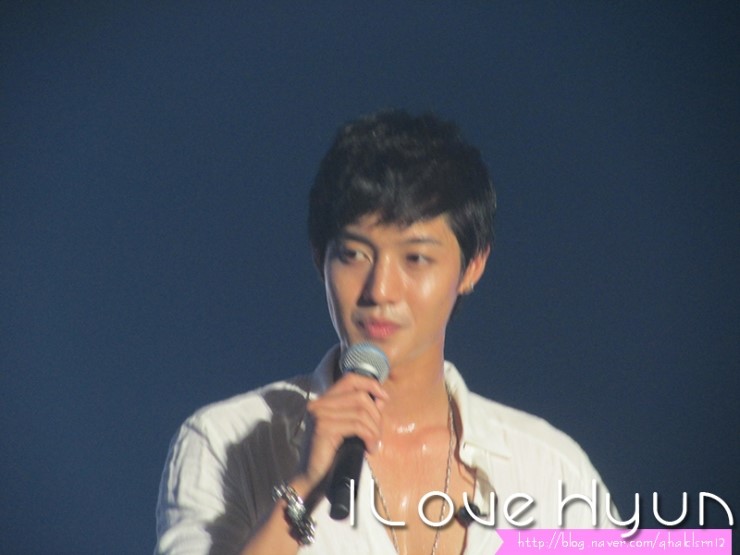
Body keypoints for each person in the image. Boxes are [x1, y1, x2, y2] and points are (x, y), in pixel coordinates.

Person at [155, 110, 616, 555]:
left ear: (472, 267)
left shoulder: (547, 467)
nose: (380, 289)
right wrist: (304, 486)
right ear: (320, 258)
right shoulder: (223, 441)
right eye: (354, 254)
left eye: (416, 258)